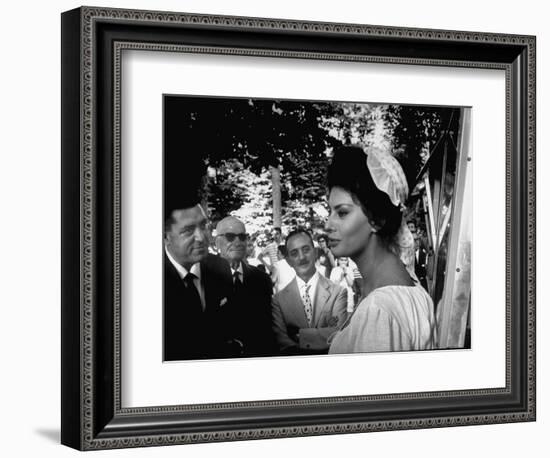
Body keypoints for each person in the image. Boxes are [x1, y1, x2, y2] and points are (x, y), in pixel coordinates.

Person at [325, 145, 437, 354]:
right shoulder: (407, 286)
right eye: (329, 211)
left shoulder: (379, 310)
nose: (328, 224)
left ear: (376, 219)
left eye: (342, 213)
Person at [163, 198, 243, 361]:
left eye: (203, 226)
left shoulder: (220, 267)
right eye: (188, 230)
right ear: (166, 237)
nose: (201, 237)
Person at [271, 229, 348, 355]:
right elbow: (283, 343)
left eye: (306, 249)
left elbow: (340, 335)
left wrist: (300, 335)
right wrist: (324, 333)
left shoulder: (337, 292)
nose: (301, 257)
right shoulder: (278, 301)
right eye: (294, 253)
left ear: (315, 252)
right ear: (289, 261)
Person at [215, 216, 276, 357]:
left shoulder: (261, 279)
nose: (238, 242)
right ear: (218, 242)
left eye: (242, 237)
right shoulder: (206, 278)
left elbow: (268, 328)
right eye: (230, 237)